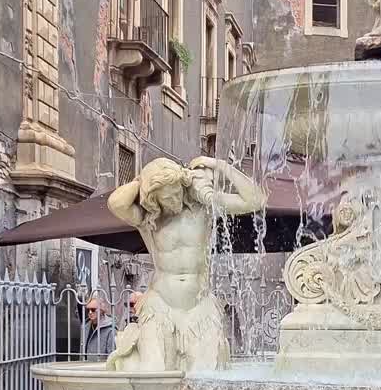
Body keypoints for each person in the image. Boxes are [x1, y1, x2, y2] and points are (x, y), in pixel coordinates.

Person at [105, 158, 266, 372]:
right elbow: (116, 203)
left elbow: (256, 199)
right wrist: (143, 180)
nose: (174, 200)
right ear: (154, 200)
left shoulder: (204, 208)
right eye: (166, 197)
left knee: (205, 379)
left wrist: (219, 165)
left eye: (176, 192)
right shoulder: (149, 219)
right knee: (153, 374)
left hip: (199, 308)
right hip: (160, 306)